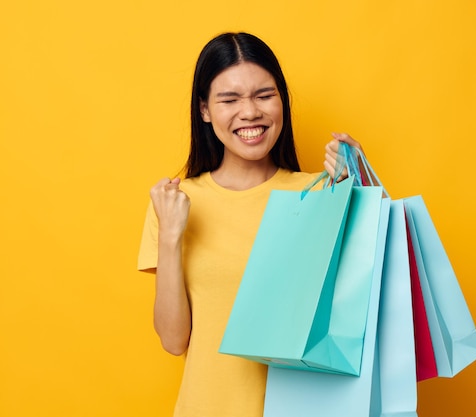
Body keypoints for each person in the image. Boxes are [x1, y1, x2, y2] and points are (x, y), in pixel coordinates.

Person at [137, 32, 363, 417]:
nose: (250, 112)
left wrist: (361, 190)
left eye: (264, 95)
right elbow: (174, 341)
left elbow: (363, 305)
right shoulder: (177, 202)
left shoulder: (319, 193)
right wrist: (171, 235)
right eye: (230, 99)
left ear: (281, 102)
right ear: (205, 110)